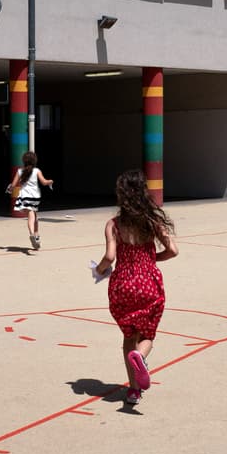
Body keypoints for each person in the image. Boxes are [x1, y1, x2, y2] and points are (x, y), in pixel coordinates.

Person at [94, 169, 178, 405]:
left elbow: (110, 257)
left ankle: (133, 390)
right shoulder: (152, 220)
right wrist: (152, 259)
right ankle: (140, 356)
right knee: (147, 334)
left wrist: (99, 270)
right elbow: (173, 250)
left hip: (122, 283)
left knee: (128, 336)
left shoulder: (113, 224)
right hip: (148, 281)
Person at [7, 151, 54, 249]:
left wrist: (9, 188)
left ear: (24, 161)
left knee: (31, 217)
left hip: (25, 196)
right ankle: (36, 236)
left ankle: (32, 234)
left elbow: (13, 185)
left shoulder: (20, 171)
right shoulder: (37, 171)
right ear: (34, 161)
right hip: (35, 197)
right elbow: (44, 182)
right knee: (34, 217)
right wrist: (50, 181)